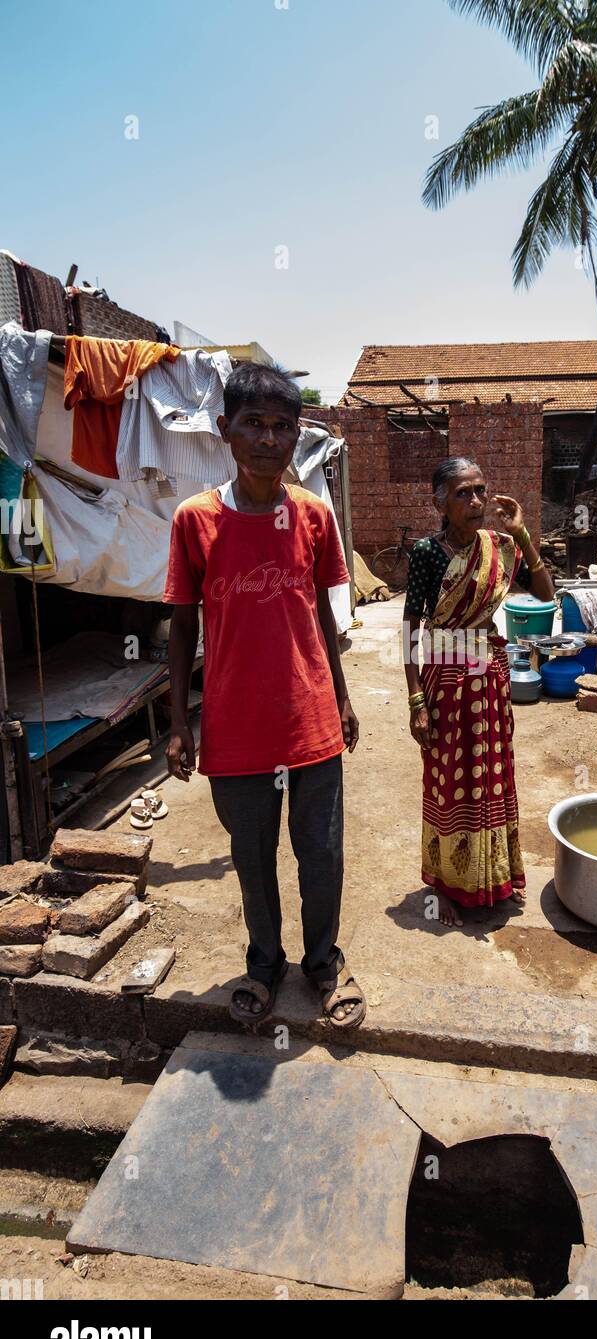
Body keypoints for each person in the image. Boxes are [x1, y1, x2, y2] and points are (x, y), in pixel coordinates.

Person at [164, 362, 366, 1029]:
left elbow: (322, 617)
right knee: (252, 856)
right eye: (254, 423)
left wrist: (341, 698)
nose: (268, 439)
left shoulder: (312, 516)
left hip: (310, 722)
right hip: (235, 728)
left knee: (323, 853)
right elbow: (182, 622)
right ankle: (264, 963)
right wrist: (178, 721)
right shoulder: (194, 521)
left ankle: (324, 963)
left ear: (297, 435)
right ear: (226, 430)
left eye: (283, 426)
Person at [403, 457, 555, 927]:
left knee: (490, 777)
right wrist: (415, 702)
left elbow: (548, 595)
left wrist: (525, 535)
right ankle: (446, 886)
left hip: (489, 681)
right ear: (440, 502)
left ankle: (492, 877)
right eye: (462, 494)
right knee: (450, 783)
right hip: (446, 683)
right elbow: (412, 627)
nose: (475, 502)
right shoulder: (429, 553)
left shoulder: (501, 546)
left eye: (479, 491)